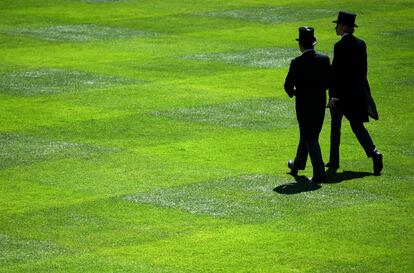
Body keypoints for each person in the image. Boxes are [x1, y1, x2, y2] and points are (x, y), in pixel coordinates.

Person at [326, 11, 383, 175]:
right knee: (358, 127)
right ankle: (374, 153)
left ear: (343, 26)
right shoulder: (361, 44)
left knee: (335, 128)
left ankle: (334, 161)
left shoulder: (339, 46)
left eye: (338, 24)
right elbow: (362, 72)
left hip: (340, 97)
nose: (336, 27)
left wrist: (334, 97)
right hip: (356, 95)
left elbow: (337, 73)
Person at [284, 26, 331, 183]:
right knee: (309, 134)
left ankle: (319, 174)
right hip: (319, 103)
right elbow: (329, 82)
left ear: (300, 45)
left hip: (303, 106)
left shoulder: (297, 62)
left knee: (310, 137)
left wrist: (297, 92)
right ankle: (297, 165)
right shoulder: (324, 59)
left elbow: (288, 86)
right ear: (313, 43)